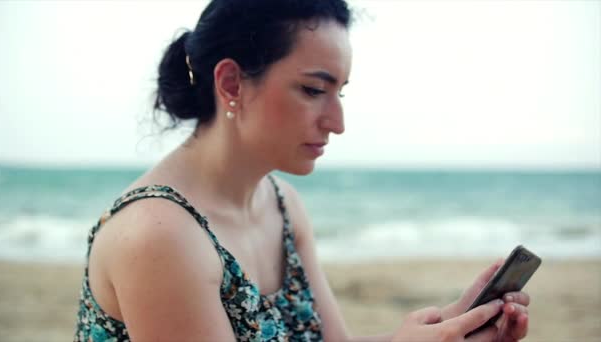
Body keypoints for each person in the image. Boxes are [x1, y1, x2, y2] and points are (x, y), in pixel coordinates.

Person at [74, 0, 531, 341]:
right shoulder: (158, 236)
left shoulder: (282, 204)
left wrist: (453, 325)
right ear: (231, 83)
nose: (337, 122)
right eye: (314, 90)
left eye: (340, 93)